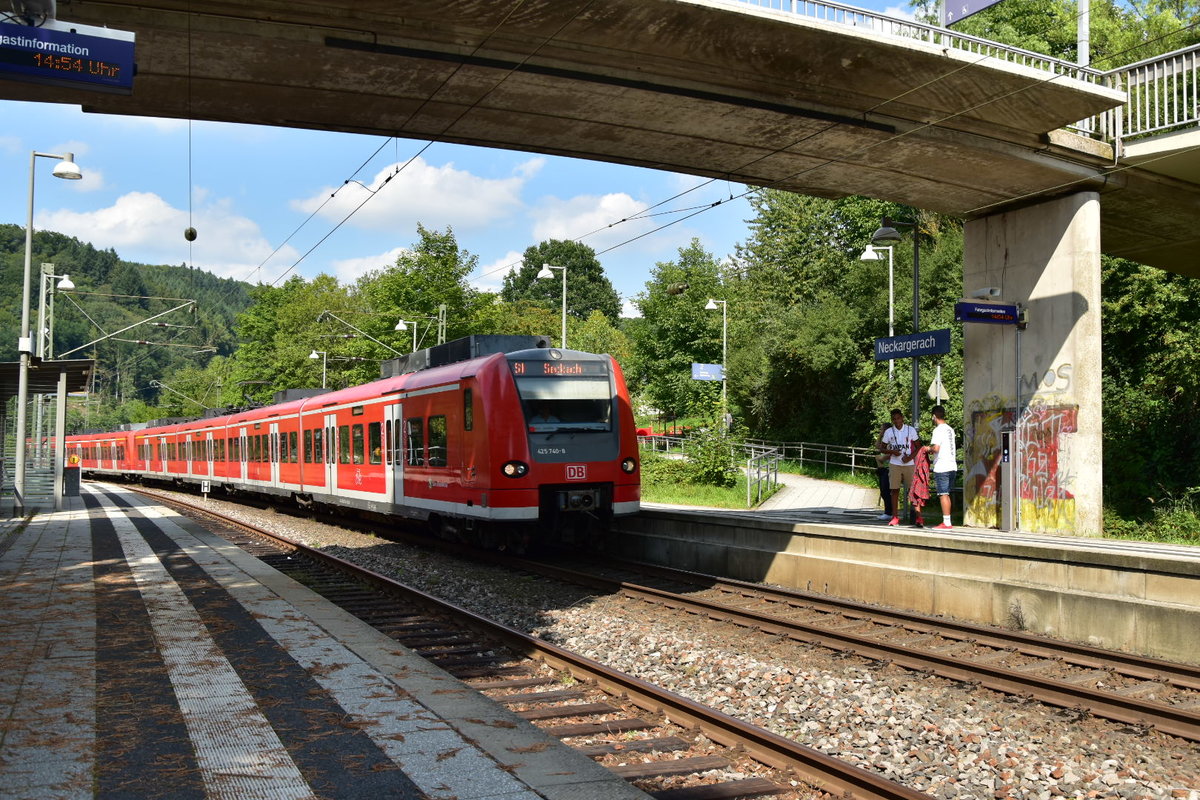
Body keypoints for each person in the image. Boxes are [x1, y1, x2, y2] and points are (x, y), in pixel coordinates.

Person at [878, 408, 919, 526]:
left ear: (902, 418)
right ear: (892, 420)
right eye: (894, 419)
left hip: (909, 463)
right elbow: (882, 448)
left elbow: (918, 446)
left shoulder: (910, 430)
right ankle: (895, 517)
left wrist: (910, 457)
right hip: (895, 463)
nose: (897, 421)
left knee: (913, 491)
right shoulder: (889, 432)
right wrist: (892, 452)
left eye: (898, 418)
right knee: (894, 490)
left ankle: (918, 516)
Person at [928, 404, 957, 530]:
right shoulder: (950, 429)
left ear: (934, 416)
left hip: (942, 466)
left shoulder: (938, 430)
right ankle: (947, 521)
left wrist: (927, 449)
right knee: (947, 494)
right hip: (952, 466)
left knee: (942, 494)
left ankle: (946, 522)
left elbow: (936, 448)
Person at [908, 442, 931, 527]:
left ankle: (919, 517)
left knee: (915, 494)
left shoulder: (918, 447)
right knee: (914, 493)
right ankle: (918, 517)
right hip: (907, 465)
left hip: (915, 469)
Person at [873, 423, 893, 520]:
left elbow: (891, 454)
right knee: (883, 490)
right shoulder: (885, 440)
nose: (880, 431)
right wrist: (880, 436)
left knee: (886, 490)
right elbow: (877, 446)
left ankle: (889, 512)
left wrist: (881, 458)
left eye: (882, 429)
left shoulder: (892, 440)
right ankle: (888, 512)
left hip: (889, 468)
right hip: (883, 468)